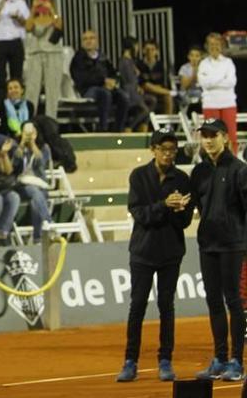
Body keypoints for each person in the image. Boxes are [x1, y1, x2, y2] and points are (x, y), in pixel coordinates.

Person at [115, 129, 193, 383]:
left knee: (166, 307)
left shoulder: (182, 178)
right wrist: (164, 205)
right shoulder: (138, 176)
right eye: (164, 149)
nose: (168, 154)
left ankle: (165, 360)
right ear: (153, 150)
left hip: (171, 252)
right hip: (142, 252)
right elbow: (139, 214)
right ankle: (130, 361)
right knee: (137, 306)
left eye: (172, 150)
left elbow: (184, 222)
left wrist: (181, 209)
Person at [191, 119, 247, 381]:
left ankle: (236, 361)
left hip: (233, 244)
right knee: (213, 301)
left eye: (214, 135)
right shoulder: (199, 171)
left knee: (233, 301)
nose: (209, 140)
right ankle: (220, 358)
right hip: (208, 244)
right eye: (205, 136)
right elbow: (201, 208)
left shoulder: (239, 169)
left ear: (225, 137)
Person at [69, 30, 128, 132]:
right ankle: (103, 129)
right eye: (85, 39)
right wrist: (103, 81)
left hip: (105, 87)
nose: (88, 41)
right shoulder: (78, 58)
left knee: (123, 96)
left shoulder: (102, 57)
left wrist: (113, 81)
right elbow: (81, 79)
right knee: (105, 94)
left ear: (97, 41)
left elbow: (113, 72)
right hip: (88, 89)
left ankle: (119, 129)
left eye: (91, 38)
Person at [23, 0, 64, 118]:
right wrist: (33, 9)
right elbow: (28, 27)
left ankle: (51, 120)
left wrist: (51, 9)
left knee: (52, 90)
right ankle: (29, 120)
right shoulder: (33, 19)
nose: (42, 5)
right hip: (35, 54)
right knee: (32, 89)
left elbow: (59, 25)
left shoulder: (55, 17)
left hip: (53, 54)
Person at [197, 32, 237, 153]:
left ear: (222, 45)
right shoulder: (203, 64)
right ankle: (213, 166)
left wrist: (212, 80)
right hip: (210, 103)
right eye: (211, 44)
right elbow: (204, 83)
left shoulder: (228, 62)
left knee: (230, 136)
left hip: (228, 103)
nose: (214, 47)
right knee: (211, 137)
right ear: (207, 46)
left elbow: (231, 82)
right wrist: (221, 77)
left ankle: (232, 164)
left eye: (217, 44)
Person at [13, 122, 52, 242]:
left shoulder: (44, 147)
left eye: (32, 131)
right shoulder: (17, 146)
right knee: (35, 193)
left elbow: (41, 166)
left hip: (40, 184)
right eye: (27, 132)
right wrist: (22, 144)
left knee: (37, 201)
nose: (30, 135)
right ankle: (48, 223)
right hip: (22, 185)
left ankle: (38, 238)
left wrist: (33, 145)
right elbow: (14, 165)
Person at [118, 37, 153, 132]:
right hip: (130, 92)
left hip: (134, 90)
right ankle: (129, 127)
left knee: (152, 101)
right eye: (136, 45)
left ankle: (143, 127)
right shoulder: (125, 61)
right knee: (145, 110)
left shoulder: (131, 61)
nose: (138, 48)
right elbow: (129, 79)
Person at [136, 39, 174, 115]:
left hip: (158, 91)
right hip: (144, 92)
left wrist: (153, 88)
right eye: (147, 49)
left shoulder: (161, 66)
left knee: (168, 96)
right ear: (143, 51)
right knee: (147, 85)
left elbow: (164, 84)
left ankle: (168, 124)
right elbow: (141, 84)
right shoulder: (138, 65)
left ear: (157, 52)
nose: (149, 52)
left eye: (152, 49)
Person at [177, 45, 204, 113]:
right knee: (183, 98)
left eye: (197, 56)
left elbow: (203, 84)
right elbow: (184, 86)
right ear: (188, 56)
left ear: (200, 57)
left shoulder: (204, 67)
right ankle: (184, 119)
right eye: (192, 55)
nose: (194, 58)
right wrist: (194, 72)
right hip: (186, 92)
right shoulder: (184, 68)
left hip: (200, 92)